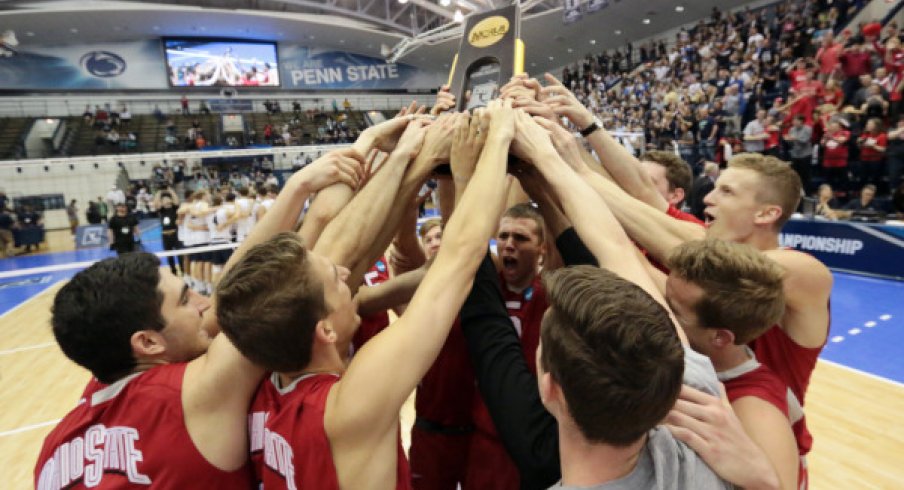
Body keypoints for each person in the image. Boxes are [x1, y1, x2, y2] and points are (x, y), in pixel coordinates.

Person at [222, 102, 512, 490]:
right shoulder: (349, 403)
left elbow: (345, 244)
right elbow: (459, 259)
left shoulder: (264, 384)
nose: (348, 273)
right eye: (338, 282)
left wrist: (401, 154)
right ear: (324, 330)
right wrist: (496, 141)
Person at [35, 150, 364, 489]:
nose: (205, 302)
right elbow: (286, 284)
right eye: (184, 300)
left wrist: (298, 187)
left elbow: (228, 292)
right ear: (147, 342)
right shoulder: (188, 395)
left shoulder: (58, 443)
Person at [154, 189, 184, 275]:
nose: (166, 200)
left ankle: (182, 270)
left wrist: (170, 190)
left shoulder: (175, 208)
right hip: (165, 235)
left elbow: (176, 200)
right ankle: (173, 271)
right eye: (164, 199)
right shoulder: (161, 210)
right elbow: (156, 203)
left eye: (168, 199)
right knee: (169, 254)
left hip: (175, 233)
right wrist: (159, 192)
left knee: (179, 254)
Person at [784, 115, 813, 192]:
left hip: (805, 155)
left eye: (796, 121)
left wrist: (795, 138)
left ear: (801, 121)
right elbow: (790, 143)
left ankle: (807, 191)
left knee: (805, 175)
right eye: (793, 121)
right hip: (795, 155)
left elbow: (805, 141)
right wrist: (788, 140)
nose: (794, 122)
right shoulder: (792, 129)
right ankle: (796, 191)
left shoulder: (808, 129)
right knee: (795, 174)